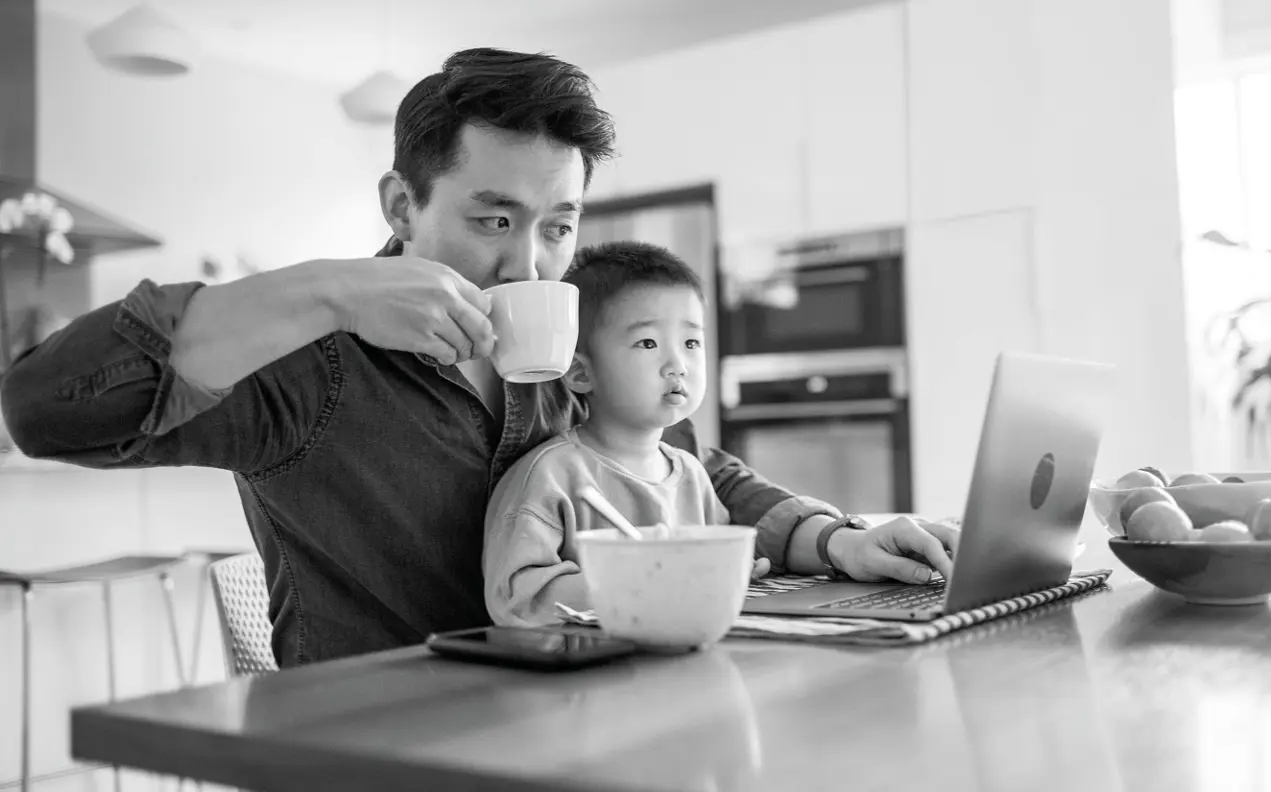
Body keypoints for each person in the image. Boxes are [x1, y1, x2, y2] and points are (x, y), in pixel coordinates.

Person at [0, 47, 957, 667]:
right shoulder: (311, 359)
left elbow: (689, 466)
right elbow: (43, 407)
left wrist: (836, 539)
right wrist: (332, 289)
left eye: (559, 226)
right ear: (400, 205)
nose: (525, 262)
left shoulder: (566, 345)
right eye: (493, 218)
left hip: (582, 722)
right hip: (388, 755)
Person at [485, 241, 736, 625]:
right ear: (582, 373)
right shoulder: (551, 476)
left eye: (691, 343)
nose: (678, 365)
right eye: (648, 342)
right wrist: (645, 584)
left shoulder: (693, 475)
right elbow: (519, 600)